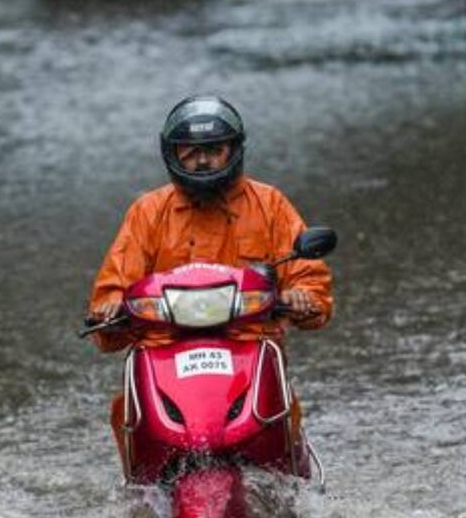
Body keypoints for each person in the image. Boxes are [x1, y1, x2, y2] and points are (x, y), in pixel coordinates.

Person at [85, 95, 333, 464]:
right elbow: (113, 292)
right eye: (190, 151)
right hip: (163, 350)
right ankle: (141, 492)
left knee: (282, 417)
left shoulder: (270, 204)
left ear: (234, 149)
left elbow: (311, 286)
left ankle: (288, 475)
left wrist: (301, 297)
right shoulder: (148, 212)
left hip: (249, 346)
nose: (202, 160)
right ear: (172, 154)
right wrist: (108, 310)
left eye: (214, 149)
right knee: (127, 410)